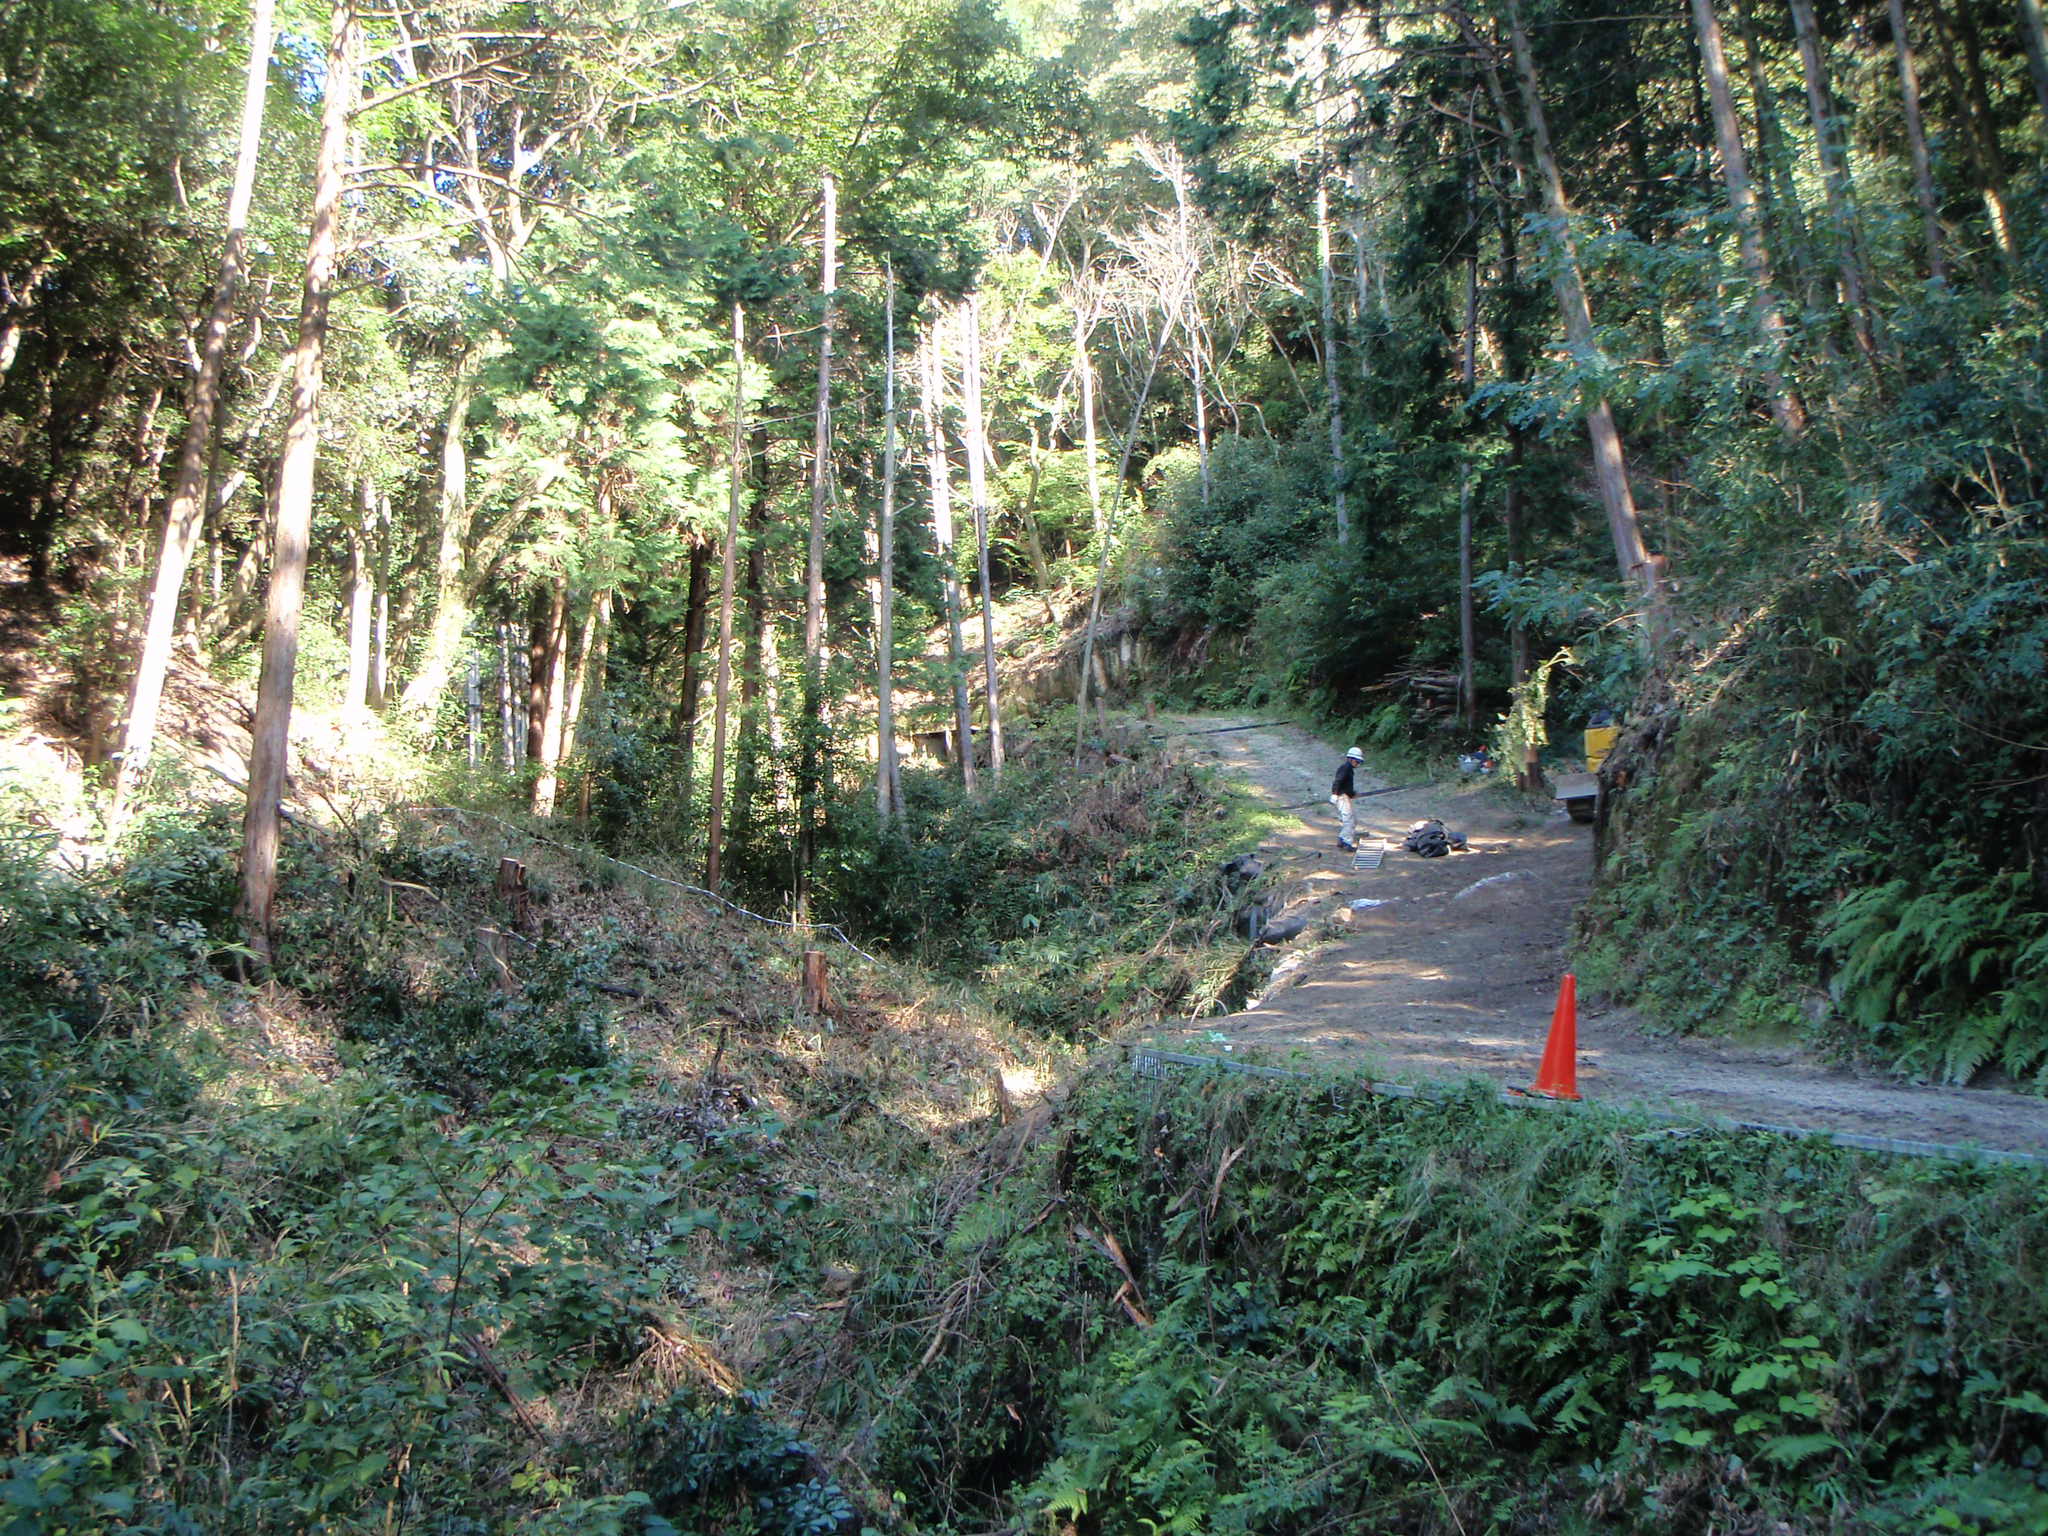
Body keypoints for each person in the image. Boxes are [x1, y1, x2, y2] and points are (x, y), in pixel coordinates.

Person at [1330, 746, 1365, 850]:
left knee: (1352, 820)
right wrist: (1334, 794)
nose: (1357, 764)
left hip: (1345, 796)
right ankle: (1347, 842)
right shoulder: (1345, 768)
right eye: (1357, 761)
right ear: (1351, 759)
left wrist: (1353, 793)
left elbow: (1347, 786)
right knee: (1349, 820)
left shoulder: (1349, 769)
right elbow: (1338, 781)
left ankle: (1341, 839)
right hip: (1342, 797)